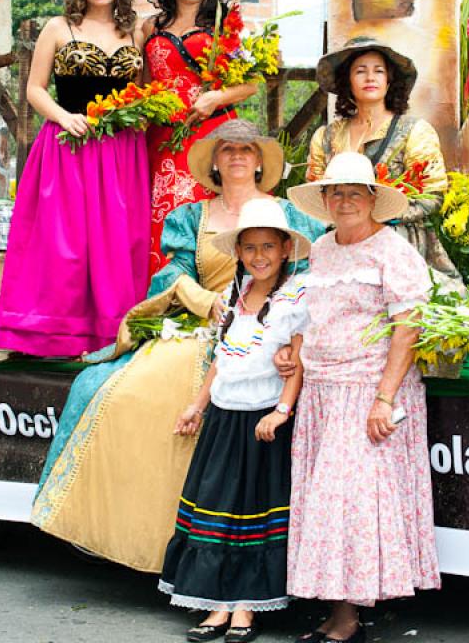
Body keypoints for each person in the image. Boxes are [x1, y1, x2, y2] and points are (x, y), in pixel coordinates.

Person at [30, 120, 324, 574]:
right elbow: (172, 274)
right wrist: (207, 303)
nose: (238, 156)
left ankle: (209, 547)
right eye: (227, 149)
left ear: (262, 160)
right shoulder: (191, 217)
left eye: (247, 149)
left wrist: (292, 337)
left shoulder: (290, 216)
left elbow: (311, 276)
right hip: (207, 325)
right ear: (215, 162)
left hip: (272, 327)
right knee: (117, 390)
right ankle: (139, 535)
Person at [284, 152, 440, 643]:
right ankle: (337, 611)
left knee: (346, 502)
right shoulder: (323, 249)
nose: (344, 200)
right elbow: (312, 318)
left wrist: (383, 398)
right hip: (322, 392)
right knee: (329, 505)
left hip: (368, 391)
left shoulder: (392, 250)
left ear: (373, 198)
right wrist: (292, 355)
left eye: (355, 191)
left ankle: (350, 618)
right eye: (336, 192)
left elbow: (408, 327)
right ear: (325, 200)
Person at [159, 198, 310, 643]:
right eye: (249, 248)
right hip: (224, 419)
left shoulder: (295, 296)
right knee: (219, 509)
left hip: (262, 423)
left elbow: (297, 360)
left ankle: (245, 608)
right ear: (239, 253)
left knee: (253, 514)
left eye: (268, 246)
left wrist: (281, 410)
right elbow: (221, 359)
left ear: (285, 248)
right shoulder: (236, 293)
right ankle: (217, 604)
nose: (258, 256)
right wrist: (197, 405)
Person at [0, 0, 149, 357]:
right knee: (63, 243)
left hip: (122, 151)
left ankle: (112, 336)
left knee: (116, 240)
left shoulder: (136, 30)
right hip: (69, 146)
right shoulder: (58, 27)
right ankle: (51, 336)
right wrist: (64, 117)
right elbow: (33, 89)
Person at [308, 36, 462, 292]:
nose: (371, 78)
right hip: (340, 244)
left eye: (378, 71)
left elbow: (432, 195)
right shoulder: (326, 137)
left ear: (389, 81)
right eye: (361, 71)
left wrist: (379, 217)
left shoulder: (414, 131)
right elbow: (315, 194)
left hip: (402, 245)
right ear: (347, 80)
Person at [143, 0, 257, 274]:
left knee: (207, 215)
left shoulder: (226, 27)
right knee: (159, 215)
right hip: (162, 137)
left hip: (210, 133)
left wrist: (217, 98)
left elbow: (251, 83)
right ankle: (162, 302)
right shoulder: (150, 27)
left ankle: (212, 305)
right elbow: (143, 83)